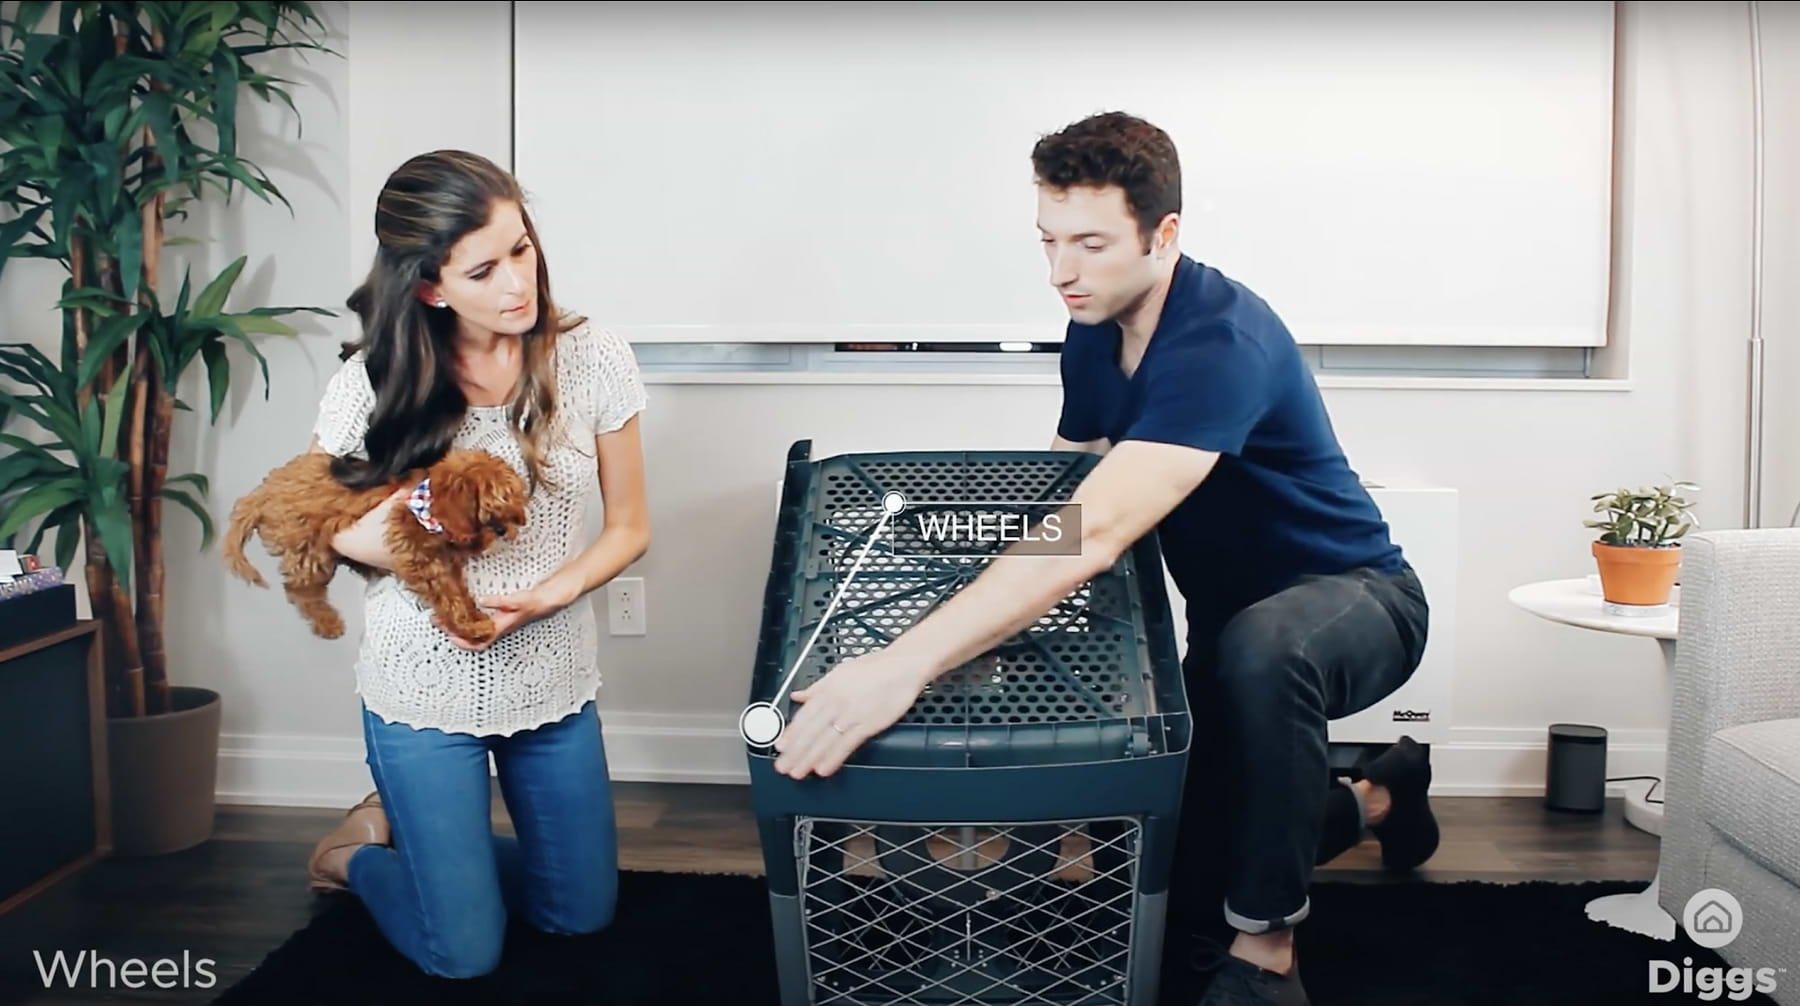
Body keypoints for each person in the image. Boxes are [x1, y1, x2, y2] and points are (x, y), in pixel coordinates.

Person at [770, 112, 1435, 1006]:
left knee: (1261, 675)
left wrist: (901, 664)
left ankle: (1269, 954)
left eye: (1089, 243)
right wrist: (966, 602)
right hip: (1231, 637)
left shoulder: (1220, 342)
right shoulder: (1093, 325)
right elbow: (1066, 490)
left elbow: (1094, 531)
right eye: (1047, 242)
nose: (1061, 273)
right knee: (1199, 858)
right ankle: (1384, 797)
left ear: (1163, 234)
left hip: (1355, 602)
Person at [300, 150, 651, 980]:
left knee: (580, 919)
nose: (516, 284)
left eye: (521, 249)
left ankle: (437, 847)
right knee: (462, 956)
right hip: (421, 687)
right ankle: (352, 855)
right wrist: (401, 533)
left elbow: (630, 526)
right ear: (430, 286)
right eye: (485, 269)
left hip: (551, 675)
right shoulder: (373, 382)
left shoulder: (593, 354)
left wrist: (545, 595)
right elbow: (313, 518)